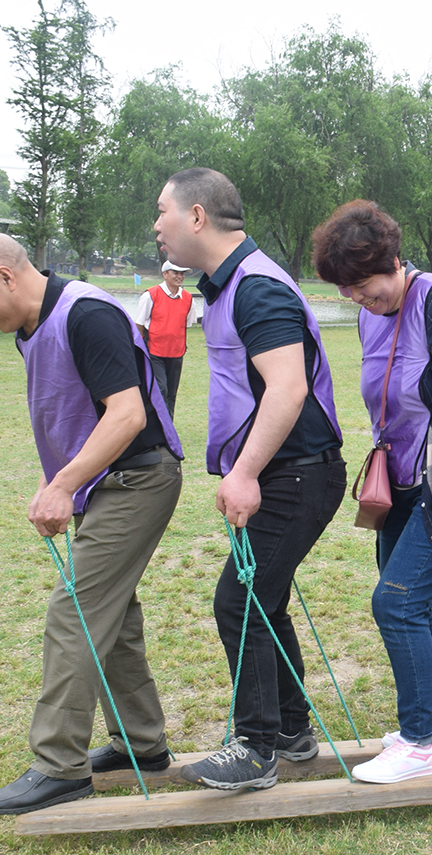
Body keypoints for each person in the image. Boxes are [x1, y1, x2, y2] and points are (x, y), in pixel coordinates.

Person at [0, 231, 183, 815]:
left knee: (74, 611)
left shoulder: (88, 314)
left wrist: (62, 485)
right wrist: (60, 482)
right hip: (104, 485)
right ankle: (141, 745)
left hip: (138, 479)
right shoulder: (29, 326)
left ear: (5, 276)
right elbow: (69, 411)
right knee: (111, 618)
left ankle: (59, 765)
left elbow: (127, 415)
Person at [154, 167, 347, 790]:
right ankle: (290, 731)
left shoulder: (257, 287)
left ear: (197, 216)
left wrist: (243, 473)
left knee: (239, 602)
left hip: (297, 474)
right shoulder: (231, 284)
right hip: (288, 471)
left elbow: (288, 388)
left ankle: (256, 748)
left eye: (163, 212)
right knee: (264, 599)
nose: (156, 226)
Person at [311, 200, 432, 783]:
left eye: (363, 284)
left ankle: (420, 744)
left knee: (395, 602)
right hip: (398, 475)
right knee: (408, 602)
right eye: (346, 289)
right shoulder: (371, 313)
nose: (357, 298)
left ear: (393, 262)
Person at [131, 259, 199, 417]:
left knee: (171, 393)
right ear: (165, 274)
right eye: (175, 272)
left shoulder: (188, 298)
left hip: (176, 352)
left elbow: (186, 324)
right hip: (154, 351)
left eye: (182, 273)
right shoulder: (151, 295)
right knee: (161, 389)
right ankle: (161, 425)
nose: (179, 276)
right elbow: (139, 324)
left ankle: (169, 426)